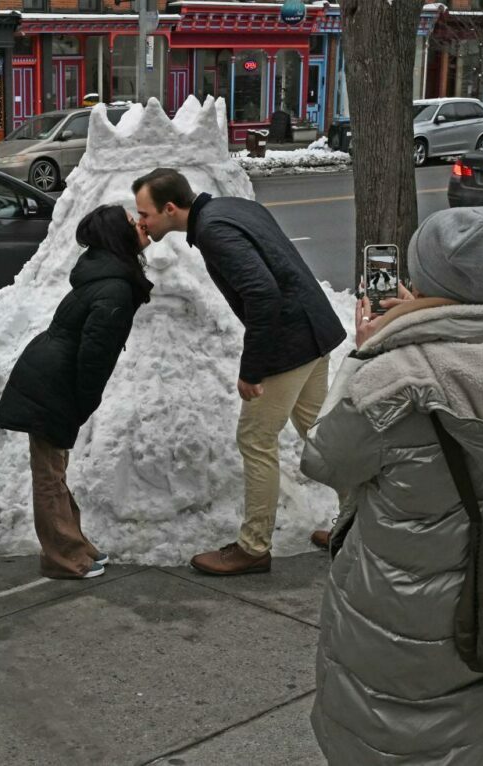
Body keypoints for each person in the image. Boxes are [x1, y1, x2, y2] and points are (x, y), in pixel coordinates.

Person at [300, 207, 483, 764]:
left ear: (422, 278)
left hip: (394, 609)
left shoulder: (395, 377)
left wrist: (366, 354)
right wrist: (424, 320)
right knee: (464, 732)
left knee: (382, 728)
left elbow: (322, 459)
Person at [132, 168, 346, 576]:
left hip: (291, 343)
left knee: (255, 438)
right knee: (321, 437)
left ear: (171, 209)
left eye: (145, 213)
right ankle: (359, 526)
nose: (141, 220)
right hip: (314, 328)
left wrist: (253, 369)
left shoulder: (214, 230)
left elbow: (262, 293)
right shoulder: (231, 208)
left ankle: (253, 547)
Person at [0, 205, 154, 579]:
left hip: (51, 375)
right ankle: (62, 557)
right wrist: (83, 402)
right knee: (49, 473)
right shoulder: (114, 288)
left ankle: (73, 544)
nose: (140, 224)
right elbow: (94, 358)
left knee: (55, 469)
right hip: (51, 383)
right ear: (119, 236)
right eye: (132, 222)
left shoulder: (109, 276)